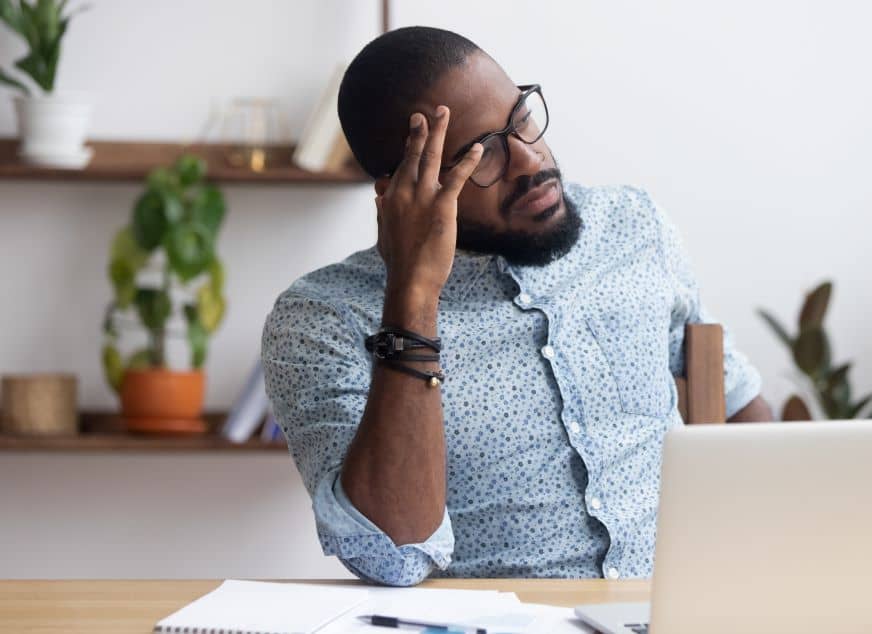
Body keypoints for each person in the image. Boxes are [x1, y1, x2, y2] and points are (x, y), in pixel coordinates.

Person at [261, 26, 771, 587]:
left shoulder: (633, 226)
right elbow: (393, 556)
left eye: (521, 116)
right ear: (402, 189)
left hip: (676, 611)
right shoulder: (322, 319)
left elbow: (734, 400)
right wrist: (413, 293)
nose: (530, 161)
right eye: (479, 155)